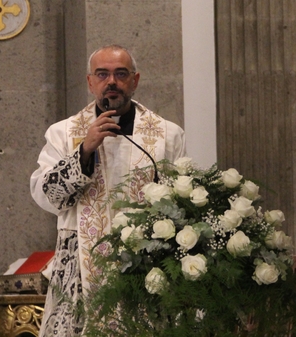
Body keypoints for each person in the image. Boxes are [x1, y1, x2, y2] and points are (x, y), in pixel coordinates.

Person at [30, 45, 186, 336]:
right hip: (80, 270)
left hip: (147, 271)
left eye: (120, 74)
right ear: (91, 82)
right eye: (102, 74)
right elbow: (46, 196)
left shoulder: (168, 134)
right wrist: (84, 151)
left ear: (135, 80)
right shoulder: (63, 133)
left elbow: (182, 201)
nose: (111, 81)